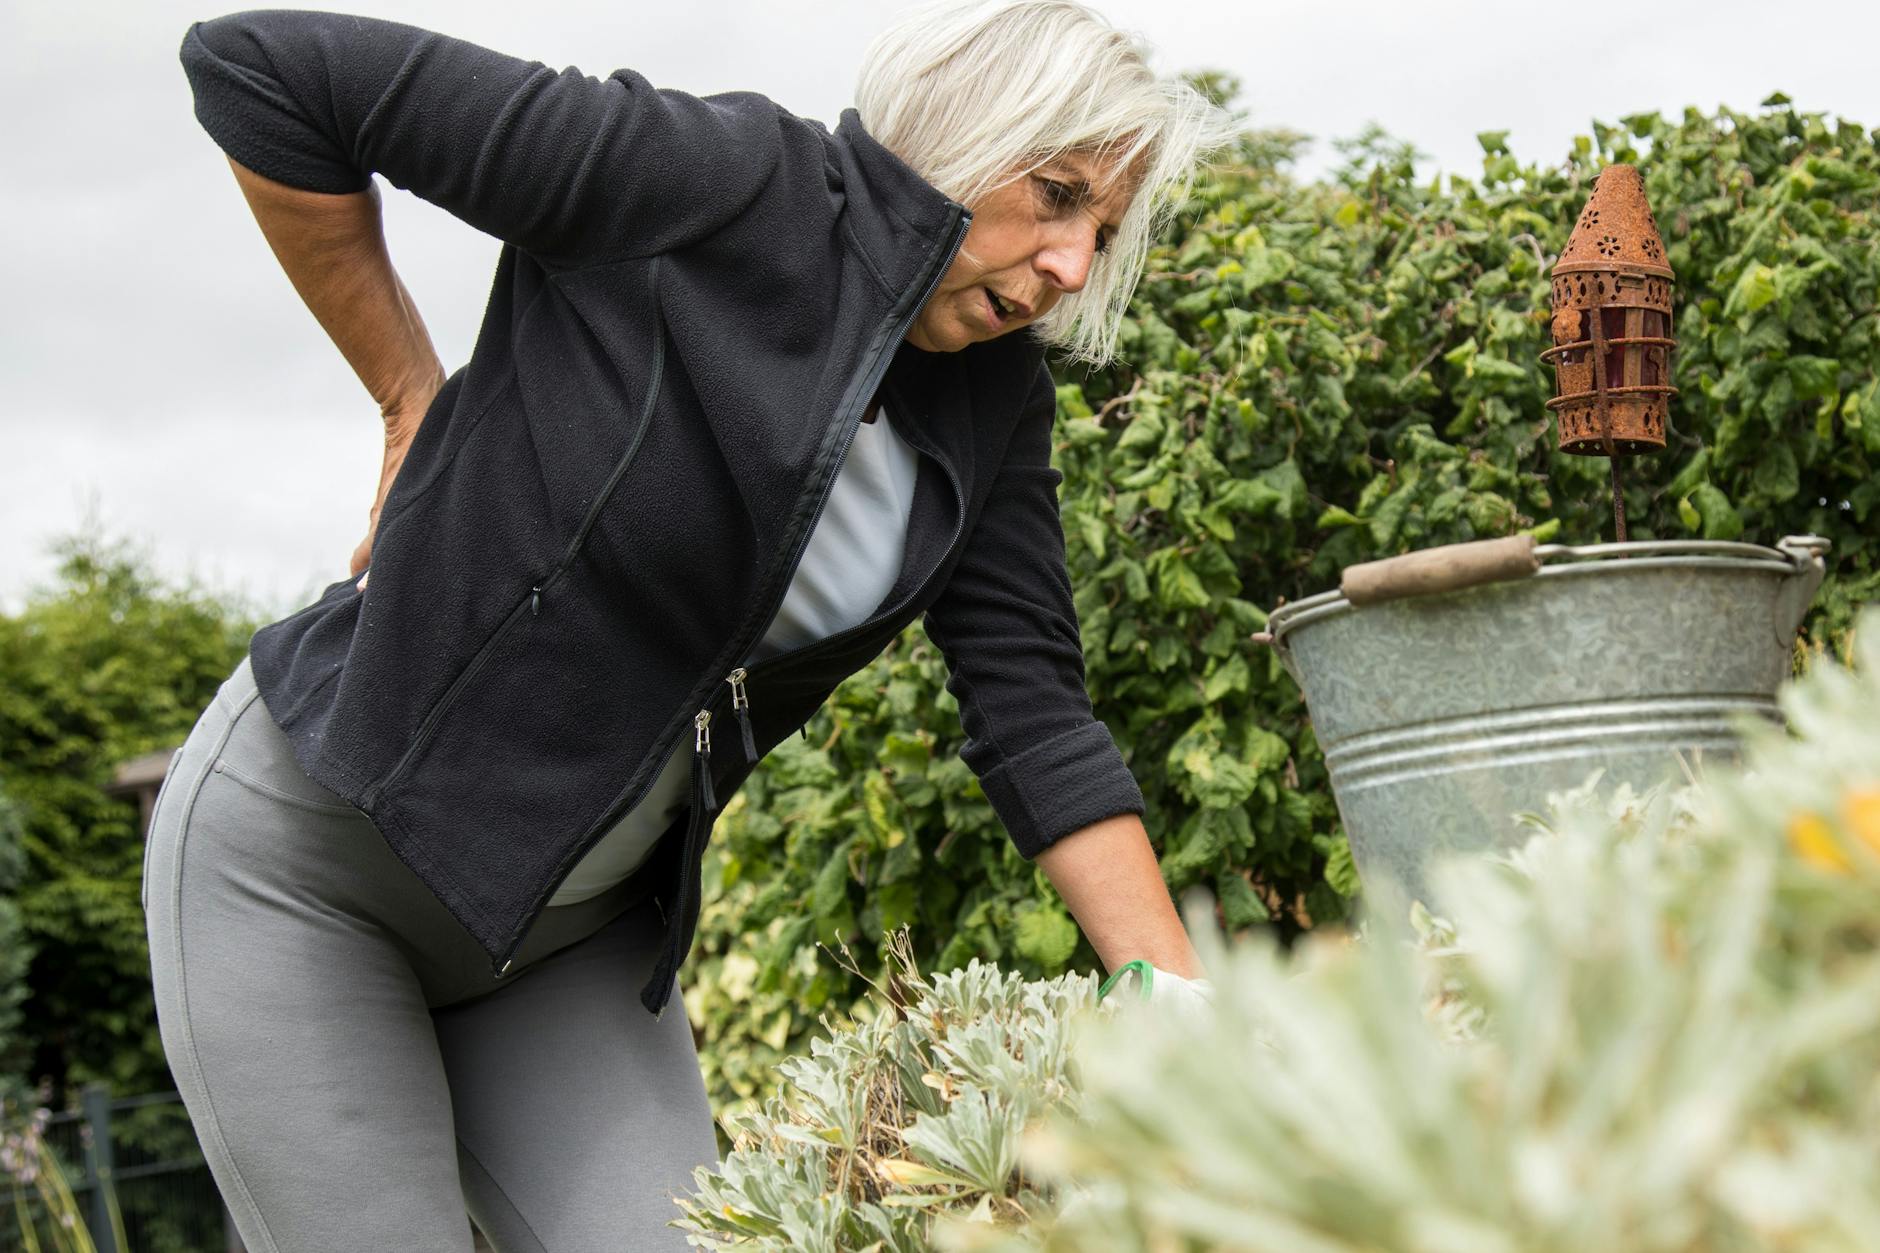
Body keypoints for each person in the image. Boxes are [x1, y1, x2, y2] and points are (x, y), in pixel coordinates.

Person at [145, 2, 1229, 1247]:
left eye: (1101, 228)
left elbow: (1033, 712)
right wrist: (406, 394)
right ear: (960, 133)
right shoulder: (708, 184)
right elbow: (264, 72)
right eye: (1054, 195)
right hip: (307, 874)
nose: (1072, 266)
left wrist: (1177, 1005)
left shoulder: (994, 406)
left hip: (567, 940)